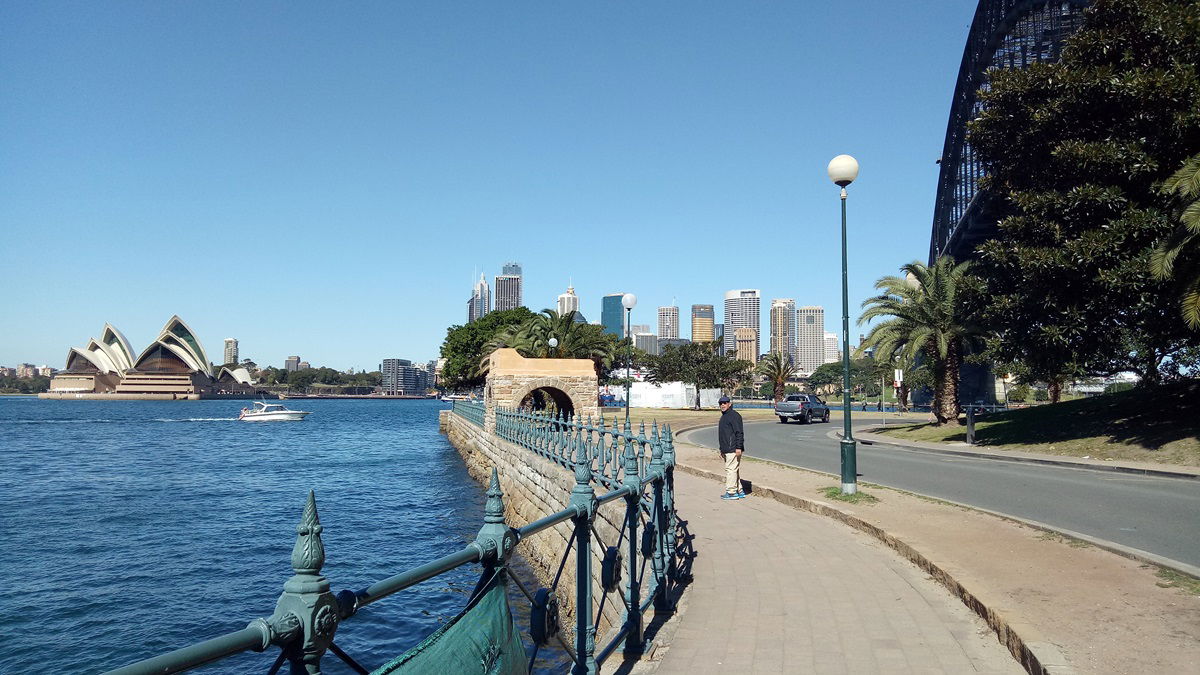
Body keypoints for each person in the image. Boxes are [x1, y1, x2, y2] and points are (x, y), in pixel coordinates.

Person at [717, 395, 745, 500]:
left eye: (725, 403)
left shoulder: (734, 416)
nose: (722, 405)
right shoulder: (724, 416)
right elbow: (723, 435)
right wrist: (721, 449)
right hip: (726, 448)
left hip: (733, 448)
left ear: (729, 404)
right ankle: (739, 490)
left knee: (731, 470)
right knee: (734, 470)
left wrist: (739, 447)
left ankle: (732, 492)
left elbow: (739, 433)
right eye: (721, 403)